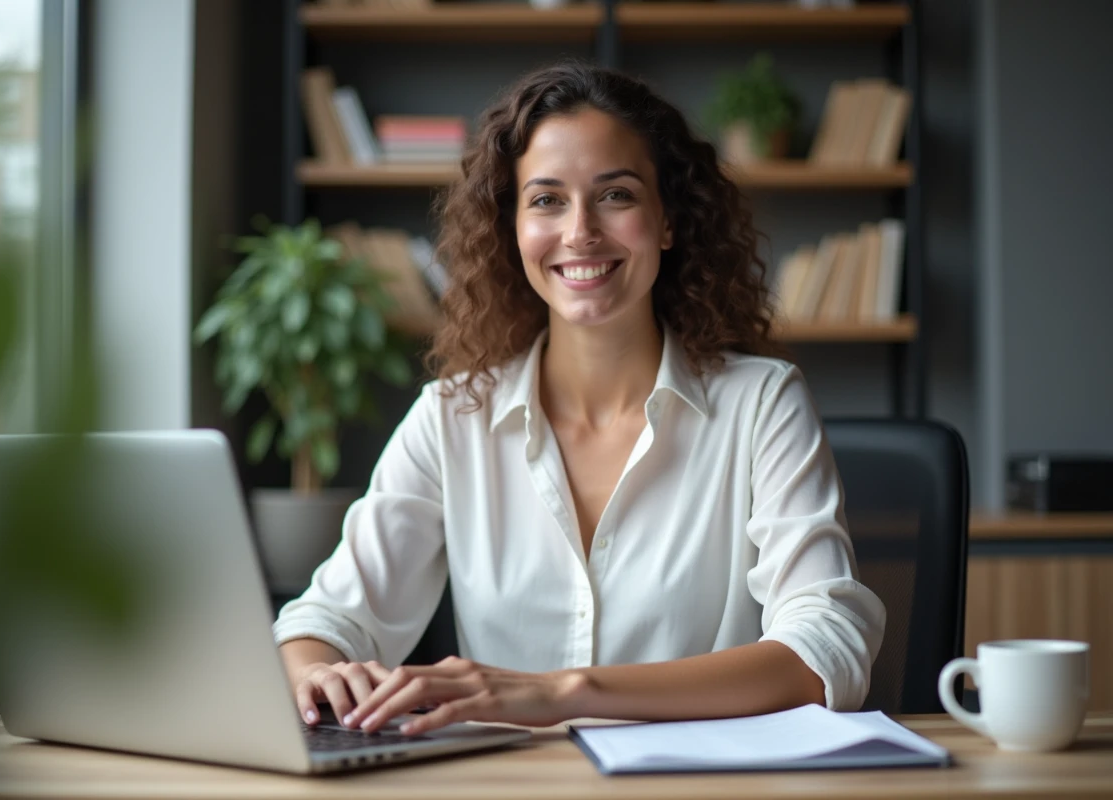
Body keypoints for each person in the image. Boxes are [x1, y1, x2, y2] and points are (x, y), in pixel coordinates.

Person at [273, 59, 886, 737]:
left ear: (668, 220)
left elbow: (823, 648)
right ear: (512, 228)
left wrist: (566, 693)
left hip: (700, 782)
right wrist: (316, 672)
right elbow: (327, 620)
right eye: (546, 200)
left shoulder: (762, 403)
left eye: (616, 195)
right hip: (512, 784)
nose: (580, 232)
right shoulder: (452, 418)